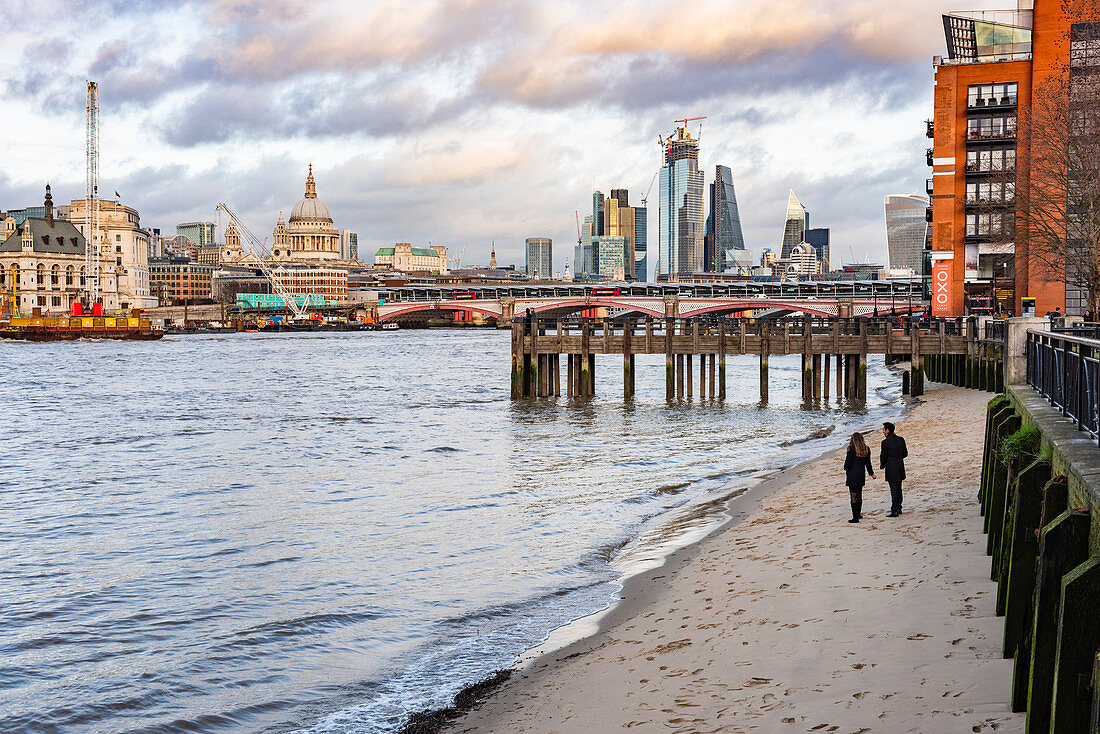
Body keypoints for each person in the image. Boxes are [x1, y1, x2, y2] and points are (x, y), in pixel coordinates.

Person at [843, 432, 875, 523]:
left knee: (853, 495)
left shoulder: (851, 449)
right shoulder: (866, 449)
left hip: (852, 474)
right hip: (861, 474)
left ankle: (855, 517)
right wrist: (871, 473)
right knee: (859, 494)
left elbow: (847, 464)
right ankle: (859, 514)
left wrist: (846, 468)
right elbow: (868, 464)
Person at [880, 422, 909, 517]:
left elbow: (883, 456)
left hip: (891, 467)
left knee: (894, 489)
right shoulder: (901, 439)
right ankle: (899, 507)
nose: (883, 431)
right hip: (900, 465)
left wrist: (882, 465)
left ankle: (894, 510)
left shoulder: (885, 442)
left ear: (888, 430)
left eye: (884, 429)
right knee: (898, 488)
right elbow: (905, 453)